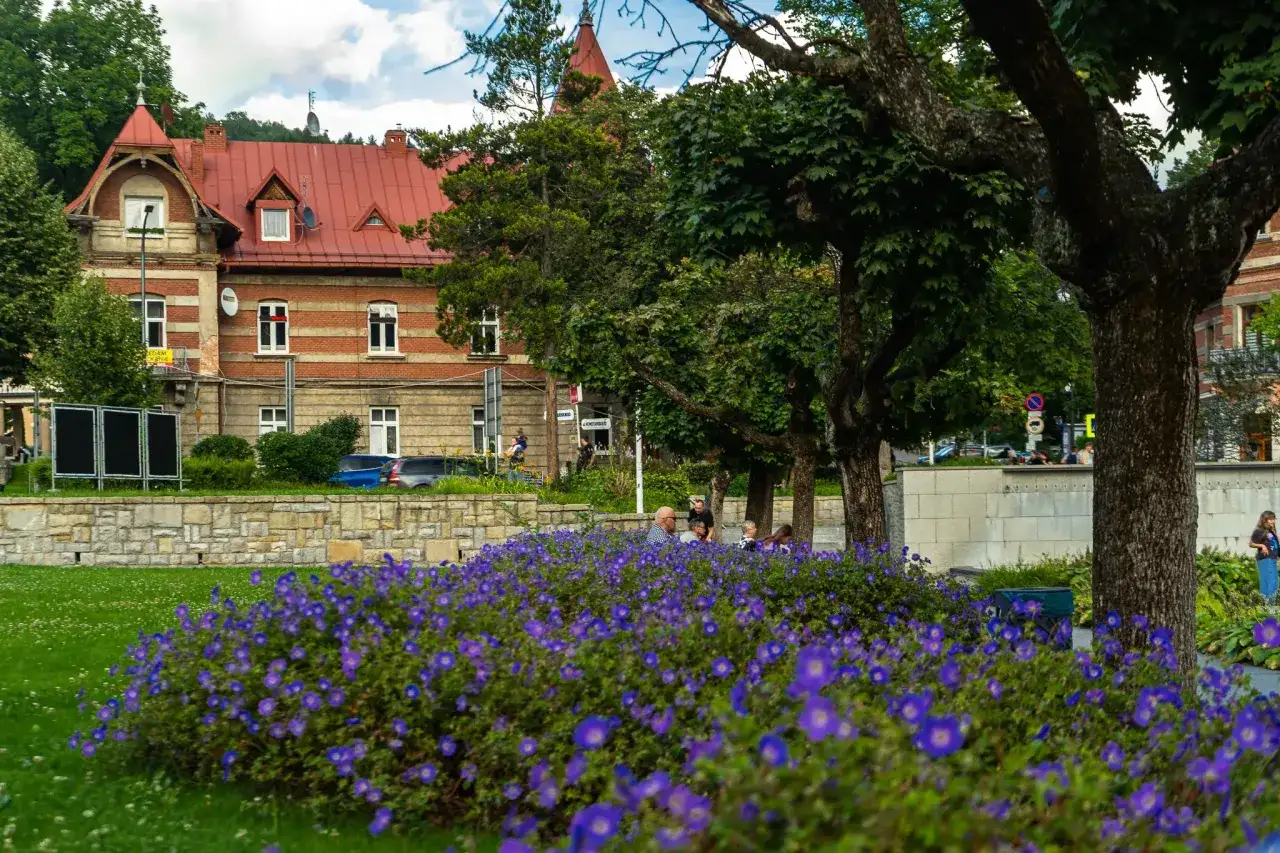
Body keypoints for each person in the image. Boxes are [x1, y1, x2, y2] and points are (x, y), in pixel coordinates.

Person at [1250, 510, 1279, 603]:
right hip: (1266, 560)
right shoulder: (1259, 531)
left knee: (1274, 584)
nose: (1272, 521)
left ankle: (1267, 605)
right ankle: (1268, 606)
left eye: (1273, 519)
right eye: (1270, 519)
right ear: (1264, 520)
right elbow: (1251, 543)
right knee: (1269, 583)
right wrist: (1262, 546)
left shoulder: (1272, 532)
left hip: (1273, 560)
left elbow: (1275, 547)